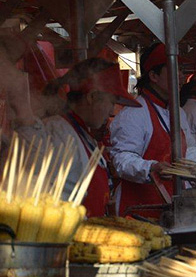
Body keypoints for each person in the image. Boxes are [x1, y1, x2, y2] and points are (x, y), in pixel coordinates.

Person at [10, 58, 140, 217]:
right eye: (111, 102)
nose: (112, 110)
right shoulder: (60, 133)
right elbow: (51, 202)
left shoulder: (83, 134)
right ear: (92, 97)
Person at [109, 43, 196, 218]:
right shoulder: (134, 114)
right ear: (153, 75)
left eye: (181, 70)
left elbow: (189, 147)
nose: (181, 76)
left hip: (174, 207)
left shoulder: (178, 112)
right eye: (175, 70)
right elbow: (121, 159)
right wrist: (151, 167)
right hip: (140, 210)